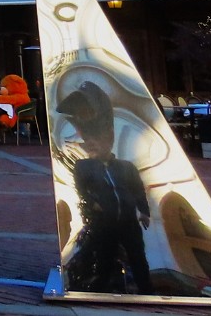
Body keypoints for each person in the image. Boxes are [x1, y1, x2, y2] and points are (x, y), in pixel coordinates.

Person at [59, 80, 151, 294]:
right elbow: (80, 190)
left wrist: (144, 211)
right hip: (104, 223)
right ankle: (99, 288)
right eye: (87, 139)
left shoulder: (125, 167)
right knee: (104, 259)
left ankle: (145, 289)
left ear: (109, 137)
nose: (91, 143)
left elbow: (137, 189)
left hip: (128, 222)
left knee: (138, 259)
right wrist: (93, 205)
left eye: (96, 139)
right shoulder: (84, 166)